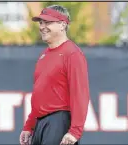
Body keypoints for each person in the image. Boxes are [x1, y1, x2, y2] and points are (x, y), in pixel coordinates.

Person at [19, 4, 90, 145]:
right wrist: (29, 126)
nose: (42, 27)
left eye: (48, 22)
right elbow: (40, 95)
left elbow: (80, 94)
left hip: (59, 121)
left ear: (62, 25)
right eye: (41, 22)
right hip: (41, 123)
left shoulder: (72, 54)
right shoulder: (44, 55)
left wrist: (75, 131)